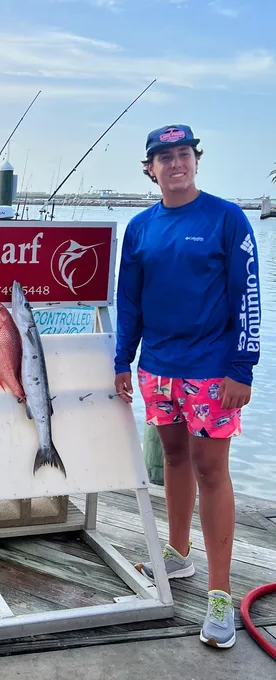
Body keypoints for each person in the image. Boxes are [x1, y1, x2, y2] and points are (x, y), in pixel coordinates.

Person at [114, 124, 261, 650]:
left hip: (212, 371)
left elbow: (248, 295)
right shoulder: (139, 228)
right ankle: (177, 554)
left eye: (183, 154)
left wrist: (243, 366)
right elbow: (128, 299)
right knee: (173, 460)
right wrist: (122, 360)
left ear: (196, 161)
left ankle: (219, 593)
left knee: (211, 470)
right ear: (149, 168)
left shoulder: (226, 218)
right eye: (163, 157)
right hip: (157, 368)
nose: (175, 164)